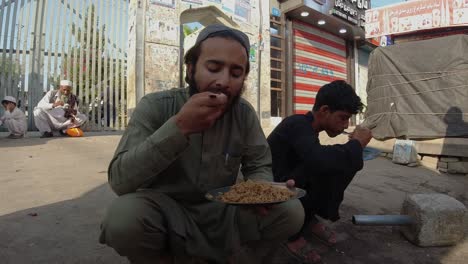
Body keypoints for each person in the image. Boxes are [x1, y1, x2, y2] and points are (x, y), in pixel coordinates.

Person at [99, 24, 304, 263]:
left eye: (236, 73)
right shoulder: (155, 106)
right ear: (191, 68)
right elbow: (120, 181)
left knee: (290, 212)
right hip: (166, 212)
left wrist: (260, 192)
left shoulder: (244, 114)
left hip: (223, 213)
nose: (223, 81)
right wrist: (179, 127)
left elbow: (258, 164)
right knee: (123, 218)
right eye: (213, 68)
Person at [267, 80, 373, 263]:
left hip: (290, 183)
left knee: (340, 163)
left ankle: (307, 219)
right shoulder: (297, 123)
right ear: (324, 111)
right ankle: (291, 234)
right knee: (329, 164)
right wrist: (356, 144)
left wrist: (352, 150)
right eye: (343, 117)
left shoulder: (309, 129)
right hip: (272, 189)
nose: (346, 125)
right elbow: (317, 160)